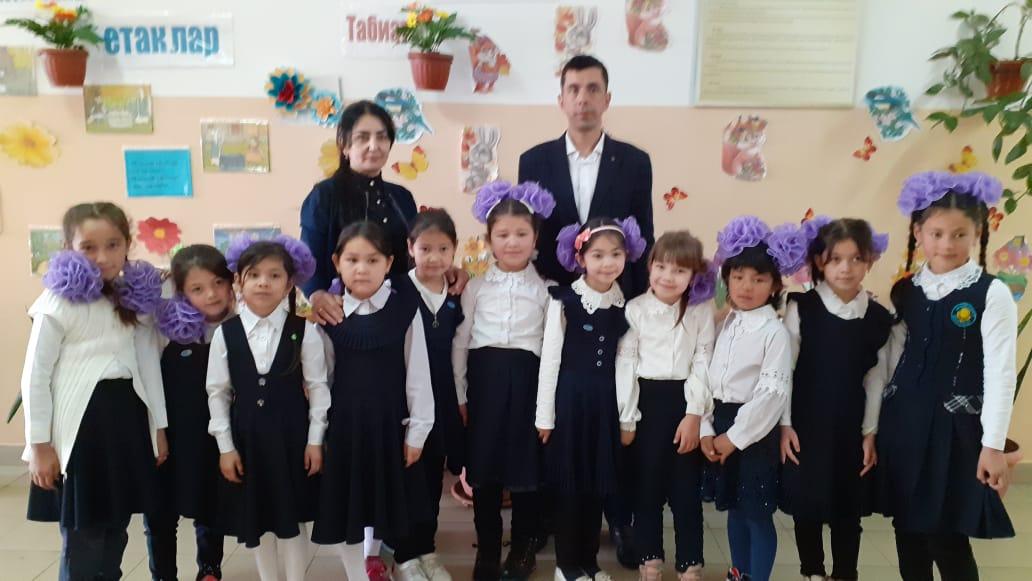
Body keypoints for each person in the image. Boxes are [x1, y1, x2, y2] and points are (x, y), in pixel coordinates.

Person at [518, 54, 654, 565]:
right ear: (561, 99)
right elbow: (531, 239)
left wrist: (632, 307)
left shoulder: (634, 161)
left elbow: (642, 238)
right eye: (573, 89)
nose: (583, 99)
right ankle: (548, 522)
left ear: (607, 98)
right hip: (559, 304)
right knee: (558, 412)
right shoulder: (534, 160)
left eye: (593, 88)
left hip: (614, 306)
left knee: (613, 411)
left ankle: (618, 518)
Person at [878, 171, 1016, 581]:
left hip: (955, 432)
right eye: (936, 234)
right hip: (904, 425)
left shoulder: (991, 293)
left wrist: (993, 446)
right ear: (918, 233)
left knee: (946, 537)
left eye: (959, 234)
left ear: (977, 233)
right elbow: (893, 359)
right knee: (907, 531)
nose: (946, 245)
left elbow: (1000, 371)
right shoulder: (907, 290)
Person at [22, 202, 167, 581]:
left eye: (113, 245)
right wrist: (39, 445)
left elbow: (147, 365)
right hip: (81, 431)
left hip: (125, 423)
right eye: (89, 247)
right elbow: (35, 376)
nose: (102, 257)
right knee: (84, 536)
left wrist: (158, 427)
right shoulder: (57, 302)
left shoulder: (134, 299)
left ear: (127, 244)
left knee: (116, 529)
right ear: (68, 248)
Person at [310, 221, 435, 581]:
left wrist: (418, 432)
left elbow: (418, 374)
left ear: (389, 263)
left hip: (389, 426)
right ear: (337, 262)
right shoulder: (328, 317)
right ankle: (357, 572)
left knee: (382, 500)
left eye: (372, 259)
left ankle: (374, 556)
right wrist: (319, 435)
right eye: (352, 259)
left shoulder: (404, 311)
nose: (362, 268)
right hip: (345, 428)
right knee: (349, 504)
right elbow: (322, 379)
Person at [206, 235, 329, 581]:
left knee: (292, 520)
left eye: (275, 275)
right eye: (255, 274)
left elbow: (318, 387)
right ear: (238, 281)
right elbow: (217, 392)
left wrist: (315, 440)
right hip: (248, 441)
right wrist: (225, 447)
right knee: (257, 520)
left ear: (289, 284)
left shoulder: (304, 331)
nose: (264, 282)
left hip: (292, 439)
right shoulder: (226, 333)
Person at [778, 218, 893, 581]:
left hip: (850, 426)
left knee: (848, 508)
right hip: (805, 425)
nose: (846, 268)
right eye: (836, 259)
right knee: (807, 505)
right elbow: (784, 371)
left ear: (869, 261)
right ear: (820, 262)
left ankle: (845, 573)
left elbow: (875, 379)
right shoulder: (801, 307)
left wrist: (870, 433)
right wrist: (785, 424)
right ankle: (812, 571)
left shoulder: (878, 318)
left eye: (856, 259)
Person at [453, 181, 556, 580]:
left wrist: (545, 409)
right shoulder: (476, 287)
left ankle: (524, 548)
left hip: (528, 386)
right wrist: (460, 394)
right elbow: (461, 343)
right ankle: (488, 549)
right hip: (485, 388)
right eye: (503, 235)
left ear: (535, 239)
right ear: (489, 240)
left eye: (521, 234)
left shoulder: (547, 291)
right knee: (484, 472)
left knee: (526, 473)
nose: (512, 242)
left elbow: (550, 353)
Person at [536, 217, 646, 581]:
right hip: (570, 402)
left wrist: (627, 417)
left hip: (605, 404)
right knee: (570, 486)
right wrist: (545, 416)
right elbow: (550, 359)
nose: (607, 263)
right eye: (597, 255)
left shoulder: (625, 306)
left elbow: (627, 364)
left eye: (616, 254)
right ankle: (566, 565)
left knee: (598, 485)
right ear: (581, 258)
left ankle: (589, 560)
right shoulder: (564, 300)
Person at [699, 216, 802, 581]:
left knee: (757, 514)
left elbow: (772, 395)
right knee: (734, 509)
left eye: (758, 279)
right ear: (726, 279)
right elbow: (707, 378)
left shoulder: (774, 331)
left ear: (774, 285)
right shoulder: (726, 322)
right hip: (722, 421)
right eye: (739, 276)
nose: (746, 286)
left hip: (754, 432)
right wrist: (708, 429)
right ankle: (738, 572)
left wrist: (733, 438)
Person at [616, 231, 717, 581]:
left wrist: (694, 414)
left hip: (685, 404)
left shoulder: (701, 311)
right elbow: (626, 365)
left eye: (679, 270)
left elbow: (703, 362)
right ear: (649, 266)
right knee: (646, 489)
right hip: (645, 404)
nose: (668, 277)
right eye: (661, 267)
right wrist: (627, 419)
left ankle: (690, 563)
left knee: (685, 492)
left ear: (693, 275)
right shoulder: (635, 309)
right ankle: (650, 559)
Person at [147, 244, 236, 581]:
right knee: (161, 512)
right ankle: (163, 574)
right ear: (181, 292)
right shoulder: (163, 329)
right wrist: (157, 430)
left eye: (218, 283)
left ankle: (209, 568)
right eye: (197, 289)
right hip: (169, 434)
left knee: (211, 504)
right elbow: (149, 379)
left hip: (213, 434)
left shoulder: (238, 325)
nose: (211, 295)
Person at [389, 209, 467, 581]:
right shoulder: (394, 290)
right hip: (405, 402)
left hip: (444, 401)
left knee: (434, 478)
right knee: (409, 479)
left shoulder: (456, 293)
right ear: (410, 248)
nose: (434, 257)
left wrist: (461, 398)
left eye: (443, 249)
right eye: (425, 248)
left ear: (454, 250)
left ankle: (427, 549)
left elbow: (459, 350)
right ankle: (404, 555)